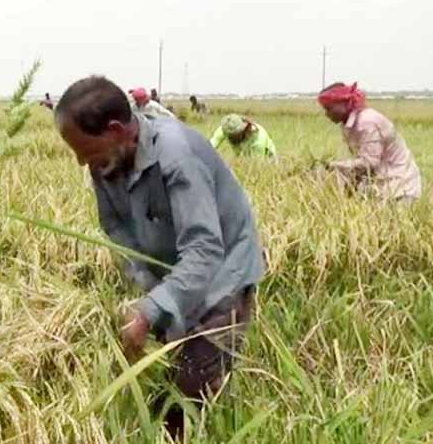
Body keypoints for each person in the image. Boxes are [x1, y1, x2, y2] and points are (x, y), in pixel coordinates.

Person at [54, 76, 264, 437]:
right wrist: (150, 295)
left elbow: (204, 249)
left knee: (189, 393)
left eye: (85, 150)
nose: (80, 161)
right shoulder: (105, 162)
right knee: (172, 373)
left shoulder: (176, 155)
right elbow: (118, 232)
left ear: (116, 129)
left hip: (222, 272)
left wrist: (150, 311)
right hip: (172, 272)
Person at [317, 82, 421, 202]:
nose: (326, 114)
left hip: (400, 185)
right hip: (382, 184)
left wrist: (335, 165)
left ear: (345, 103)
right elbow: (361, 162)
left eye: (329, 109)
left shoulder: (366, 123)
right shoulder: (348, 124)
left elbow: (370, 162)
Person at [210, 114, 277, 158]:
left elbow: (256, 166)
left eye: (234, 135)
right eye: (229, 136)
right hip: (242, 153)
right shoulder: (226, 129)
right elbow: (210, 146)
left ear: (243, 130)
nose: (231, 139)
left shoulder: (258, 140)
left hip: (266, 159)